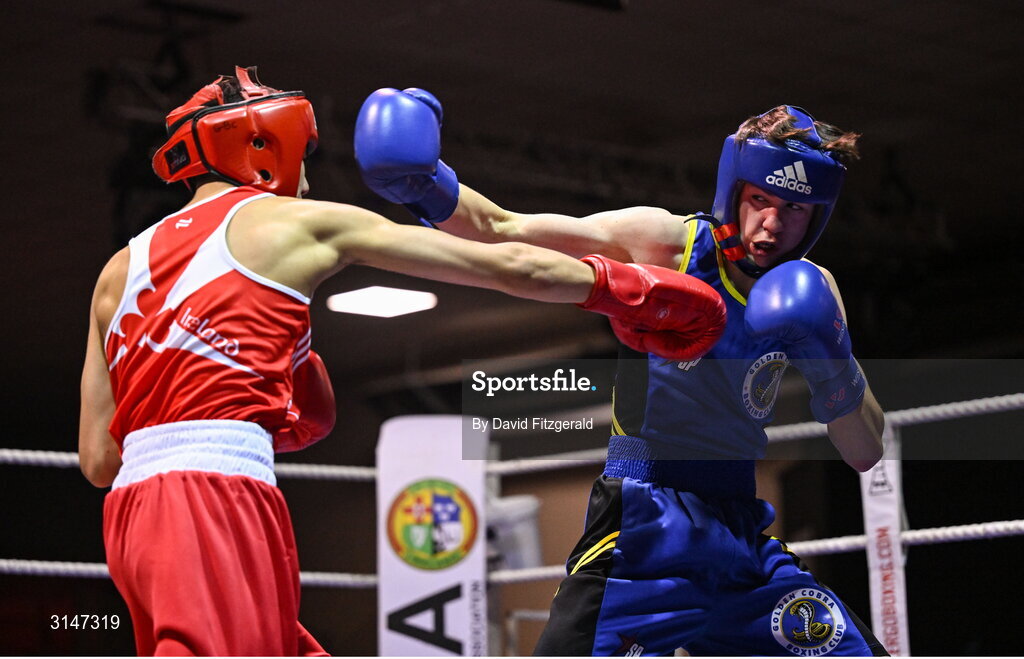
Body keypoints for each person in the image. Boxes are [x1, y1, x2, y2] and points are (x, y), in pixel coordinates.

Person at [77, 67, 726, 656]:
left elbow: (98, 459)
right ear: (263, 148)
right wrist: (623, 289)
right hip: (215, 495)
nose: (305, 179)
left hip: (134, 520)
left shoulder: (115, 271)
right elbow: (511, 263)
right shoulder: (290, 225)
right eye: (304, 158)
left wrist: (257, 368)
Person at [354, 88, 888, 656]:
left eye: (795, 209)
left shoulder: (816, 290)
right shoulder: (667, 244)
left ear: (818, 217)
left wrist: (834, 360)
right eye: (760, 199)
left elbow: (864, 450)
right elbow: (504, 229)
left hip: (740, 538)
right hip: (645, 521)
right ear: (735, 190)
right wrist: (425, 185)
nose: (772, 224)